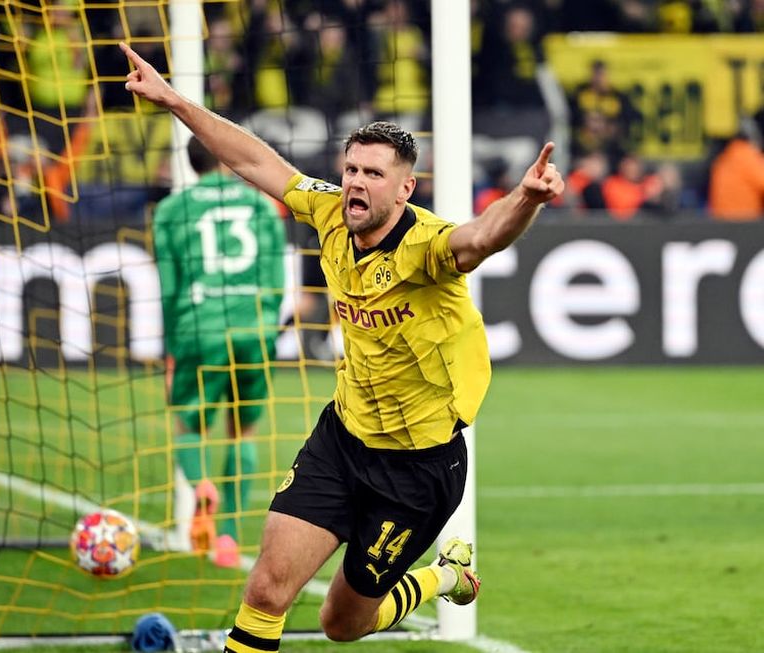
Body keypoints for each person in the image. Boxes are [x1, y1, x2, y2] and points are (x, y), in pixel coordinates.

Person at [120, 41, 564, 650]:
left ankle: (445, 576)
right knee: (267, 590)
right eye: (351, 169)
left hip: (418, 466)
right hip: (343, 438)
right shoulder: (330, 212)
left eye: (372, 174)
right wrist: (175, 101)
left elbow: (480, 238)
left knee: (341, 625)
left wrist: (525, 200)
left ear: (405, 189)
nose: (354, 183)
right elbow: (255, 162)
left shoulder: (425, 248)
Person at [154, 136, 286, 568]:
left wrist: (173, 350)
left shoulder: (172, 211)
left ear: (190, 165)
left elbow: (170, 288)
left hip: (199, 329)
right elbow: (275, 281)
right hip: (254, 330)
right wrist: (265, 328)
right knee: (242, 431)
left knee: (188, 423)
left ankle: (200, 488)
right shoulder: (263, 207)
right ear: (227, 159)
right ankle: (228, 535)